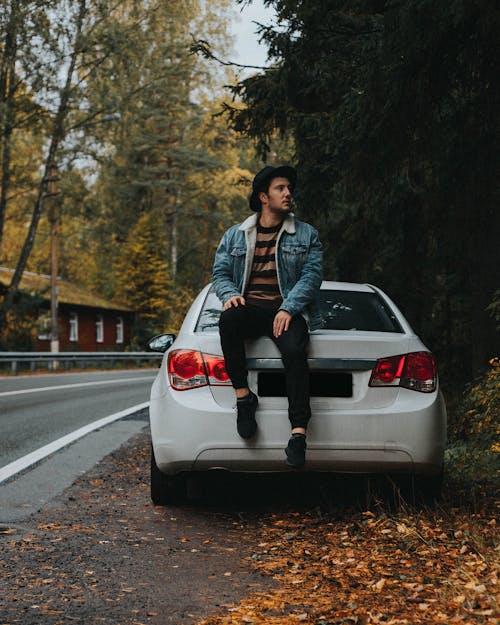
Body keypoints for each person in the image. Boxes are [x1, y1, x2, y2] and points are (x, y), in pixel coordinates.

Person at [212, 165, 323, 467]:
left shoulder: (306, 234)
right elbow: (220, 274)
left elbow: (312, 277)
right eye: (280, 188)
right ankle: (244, 397)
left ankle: (298, 433)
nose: (288, 193)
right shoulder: (235, 235)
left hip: (285, 310)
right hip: (250, 309)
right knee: (229, 320)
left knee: (294, 351)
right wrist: (229, 294)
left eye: (289, 188)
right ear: (263, 196)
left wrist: (289, 307)